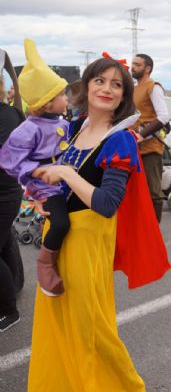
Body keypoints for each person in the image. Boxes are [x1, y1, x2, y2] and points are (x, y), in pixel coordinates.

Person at [27, 55, 171, 391]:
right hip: (58, 235)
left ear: (124, 96)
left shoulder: (119, 140)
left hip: (89, 242)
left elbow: (107, 204)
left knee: (90, 328)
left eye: (117, 84)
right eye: (100, 80)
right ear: (87, 85)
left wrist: (65, 172)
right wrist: (41, 196)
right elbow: (49, 177)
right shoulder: (74, 128)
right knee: (56, 323)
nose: (107, 89)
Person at [0, 39, 71, 297]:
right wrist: (37, 173)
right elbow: (9, 159)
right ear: (48, 101)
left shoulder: (62, 121)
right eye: (62, 94)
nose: (67, 98)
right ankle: (46, 263)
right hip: (46, 186)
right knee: (61, 224)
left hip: (66, 180)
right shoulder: (28, 128)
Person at [0, 51, 26, 332]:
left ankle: (9, 310)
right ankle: (14, 286)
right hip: (8, 190)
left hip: (4, 192)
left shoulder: (7, 114)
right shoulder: (12, 111)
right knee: (5, 241)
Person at [131, 53, 170, 222]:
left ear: (147, 69)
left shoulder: (154, 87)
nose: (133, 67)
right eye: (133, 63)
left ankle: (154, 231)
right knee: (135, 191)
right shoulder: (133, 88)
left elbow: (163, 117)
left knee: (153, 192)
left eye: (137, 64)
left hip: (150, 147)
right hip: (133, 147)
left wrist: (141, 135)